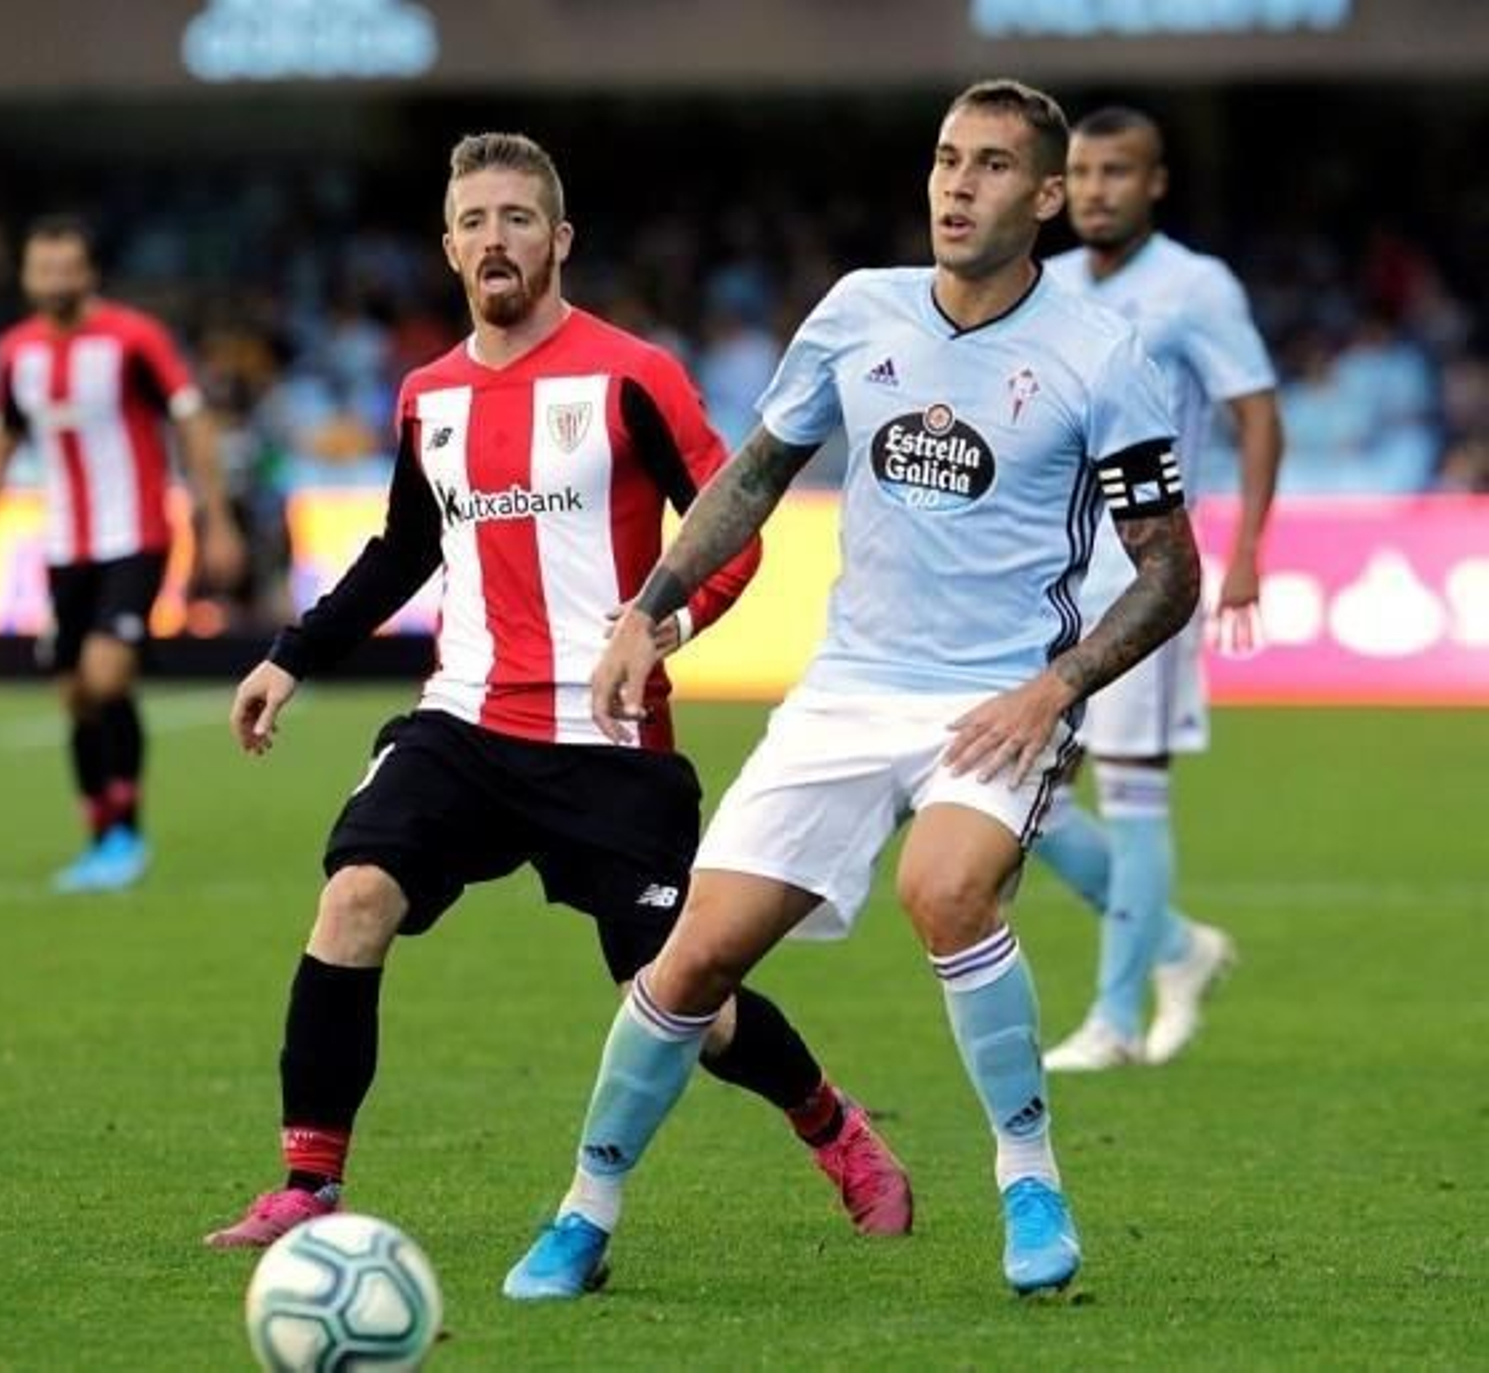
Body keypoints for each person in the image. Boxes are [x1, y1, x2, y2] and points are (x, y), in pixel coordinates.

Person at [506, 80, 1200, 1302]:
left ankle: (1028, 1173)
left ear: (1044, 198)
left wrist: (1059, 685)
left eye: (990, 166)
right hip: (844, 689)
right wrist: (646, 607)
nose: (955, 185)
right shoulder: (856, 313)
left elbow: (1169, 570)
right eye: (944, 159)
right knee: (688, 961)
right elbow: (755, 476)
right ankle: (584, 1206)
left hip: (996, 694)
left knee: (944, 890)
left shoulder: (1102, 356)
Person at [203, 133, 911, 1254]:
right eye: (474, 222)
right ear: (447, 248)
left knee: (687, 994)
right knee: (353, 899)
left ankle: (832, 1124)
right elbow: (401, 549)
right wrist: (290, 654)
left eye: (517, 219)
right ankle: (306, 1182)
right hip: (464, 722)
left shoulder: (636, 375)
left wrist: (659, 628)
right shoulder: (426, 397)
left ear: (559, 239)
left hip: (609, 739)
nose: (495, 240)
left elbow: (731, 535)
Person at [1035, 107, 1284, 1071]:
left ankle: (1117, 1021)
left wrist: (1250, 549)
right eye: (1084, 172)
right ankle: (1179, 947)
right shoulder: (1044, 287)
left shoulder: (1195, 287)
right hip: (1050, 583)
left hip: (1150, 577)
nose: (1097, 189)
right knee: (1014, 789)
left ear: (1156, 183)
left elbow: (1257, 417)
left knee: (1134, 789)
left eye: (1118, 172)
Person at [0, 215, 245, 892]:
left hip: (136, 536)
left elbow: (190, 423)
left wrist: (215, 515)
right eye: (40, 270)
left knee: (107, 675)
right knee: (76, 693)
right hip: (63, 544)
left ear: (89, 273)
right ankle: (101, 831)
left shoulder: (136, 339)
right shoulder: (16, 353)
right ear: (25, 276)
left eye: (64, 268)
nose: (53, 281)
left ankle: (126, 834)